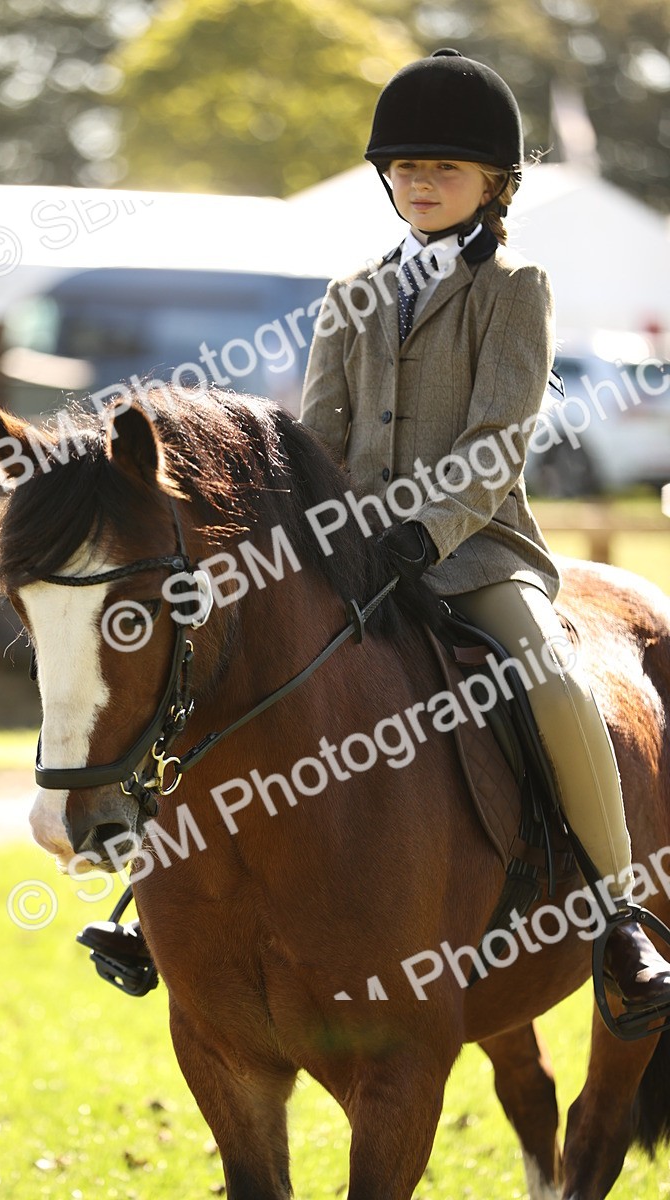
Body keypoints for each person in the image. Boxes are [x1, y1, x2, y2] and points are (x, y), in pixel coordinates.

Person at [299, 47, 670, 1018]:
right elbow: (315, 441)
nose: (419, 182)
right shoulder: (348, 296)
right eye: (405, 168)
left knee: (549, 681)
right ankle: (160, 898)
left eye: (443, 168)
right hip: (352, 551)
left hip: (472, 553)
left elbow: (496, 439)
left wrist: (418, 538)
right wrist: (312, 532)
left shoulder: (515, 290)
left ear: (492, 184)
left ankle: (618, 916)